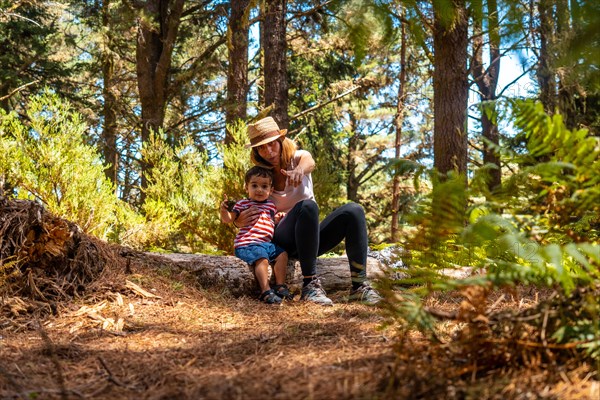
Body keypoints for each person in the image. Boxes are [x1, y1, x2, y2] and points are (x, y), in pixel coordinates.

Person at [232, 116, 381, 306]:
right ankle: (310, 285)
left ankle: (359, 287)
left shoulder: (298, 157)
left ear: (280, 141)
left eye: (271, 144)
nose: (268, 151)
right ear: (256, 151)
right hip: (281, 241)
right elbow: (246, 205)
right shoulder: (261, 176)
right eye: (261, 147)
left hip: (309, 239)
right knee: (307, 205)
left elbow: (309, 162)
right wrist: (238, 220)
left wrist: (300, 171)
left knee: (354, 210)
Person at [220, 166, 292, 304]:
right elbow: (228, 219)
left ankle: (280, 286)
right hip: (247, 244)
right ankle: (265, 291)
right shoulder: (243, 203)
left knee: (282, 254)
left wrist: (277, 219)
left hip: (266, 244)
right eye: (254, 185)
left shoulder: (271, 205)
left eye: (264, 186)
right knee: (262, 258)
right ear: (246, 187)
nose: (259, 189)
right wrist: (224, 211)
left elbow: (270, 222)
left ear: (271, 190)